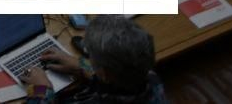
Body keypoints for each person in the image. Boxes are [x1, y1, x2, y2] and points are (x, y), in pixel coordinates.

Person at [22, 16, 166, 103]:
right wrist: (81, 66)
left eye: (90, 55)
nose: (88, 57)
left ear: (104, 74)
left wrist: (40, 89)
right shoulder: (150, 78)